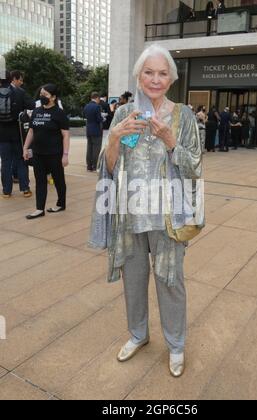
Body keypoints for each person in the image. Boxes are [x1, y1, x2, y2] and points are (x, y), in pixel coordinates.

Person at [89, 44, 204, 378]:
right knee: (133, 279)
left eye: (162, 73)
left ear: (171, 78)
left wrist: (170, 140)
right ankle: (138, 334)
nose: (155, 79)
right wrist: (113, 141)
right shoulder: (126, 115)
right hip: (129, 214)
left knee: (170, 282)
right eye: (148, 72)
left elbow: (195, 167)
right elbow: (109, 169)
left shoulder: (182, 116)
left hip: (168, 218)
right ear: (139, 77)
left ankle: (177, 345)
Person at [23, 84, 70, 219]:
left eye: (45, 95)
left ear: (54, 97)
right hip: (38, 153)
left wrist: (65, 155)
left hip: (55, 154)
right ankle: (39, 209)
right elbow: (31, 131)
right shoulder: (36, 111)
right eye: (41, 94)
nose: (42, 97)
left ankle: (61, 204)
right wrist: (25, 147)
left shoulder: (59, 114)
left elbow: (65, 135)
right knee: (40, 181)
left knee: (59, 180)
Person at [0, 71, 34, 199]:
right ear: (11, 79)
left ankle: (6, 191)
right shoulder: (20, 92)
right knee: (21, 160)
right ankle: (25, 189)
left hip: (2, 135)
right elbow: (31, 105)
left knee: (5, 162)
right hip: (17, 134)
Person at [83, 92, 103, 172]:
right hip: (96, 130)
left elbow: (84, 115)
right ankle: (95, 166)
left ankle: (89, 166)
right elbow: (98, 119)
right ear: (97, 98)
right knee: (96, 149)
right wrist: (103, 118)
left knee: (89, 148)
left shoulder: (86, 106)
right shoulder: (97, 107)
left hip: (89, 129)